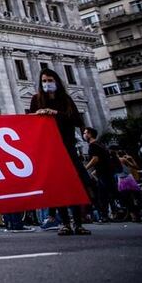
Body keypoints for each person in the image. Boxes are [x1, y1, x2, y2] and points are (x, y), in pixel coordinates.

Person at [28, 67, 90, 236]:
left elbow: (77, 119)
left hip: (68, 146)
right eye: (44, 81)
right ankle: (64, 223)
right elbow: (30, 123)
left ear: (56, 82)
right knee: (58, 186)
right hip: (50, 147)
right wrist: (38, 115)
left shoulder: (66, 99)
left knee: (73, 183)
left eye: (50, 80)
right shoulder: (36, 100)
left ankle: (78, 222)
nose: (47, 84)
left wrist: (56, 113)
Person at [83, 127, 116, 222]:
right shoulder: (100, 144)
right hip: (104, 172)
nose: (84, 135)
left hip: (103, 173)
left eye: (85, 133)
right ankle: (105, 215)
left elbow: (95, 159)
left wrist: (85, 168)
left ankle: (133, 211)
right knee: (103, 194)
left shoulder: (93, 145)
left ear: (90, 134)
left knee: (109, 193)